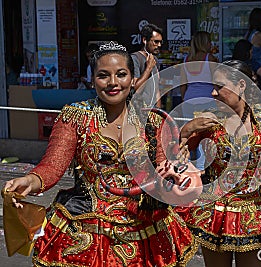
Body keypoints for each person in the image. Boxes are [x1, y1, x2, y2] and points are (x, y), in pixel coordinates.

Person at [2, 41, 198, 266]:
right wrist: (29, 180)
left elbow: (163, 170)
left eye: (121, 74)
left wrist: (177, 173)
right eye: (103, 75)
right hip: (86, 231)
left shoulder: (153, 122)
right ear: (93, 79)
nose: (113, 82)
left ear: (133, 79)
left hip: (143, 229)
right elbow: (52, 167)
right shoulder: (76, 118)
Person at [176, 60, 261, 267]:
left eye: (219, 87)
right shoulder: (208, 119)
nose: (213, 93)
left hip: (255, 210)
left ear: (241, 85)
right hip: (215, 210)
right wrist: (186, 130)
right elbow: (170, 152)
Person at [180, 31, 219, 171]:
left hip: (189, 100)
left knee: (190, 135)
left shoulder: (186, 59)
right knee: (205, 135)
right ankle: (202, 168)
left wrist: (185, 99)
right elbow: (217, 82)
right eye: (209, 41)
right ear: (205, 43)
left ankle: (188, 166)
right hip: (208, 100)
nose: (211, 44)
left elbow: (183, 84)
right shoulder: (210, 58)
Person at [131, 23, 163, 108]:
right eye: (156, 42)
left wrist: (158, 112)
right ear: (145, 40)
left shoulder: (155, 60)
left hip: (153, 110)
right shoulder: (135, 58)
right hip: (138, 109)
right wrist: (148, 68)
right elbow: (136, 88)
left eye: (160, 42)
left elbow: (156, 89)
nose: (159, 45)